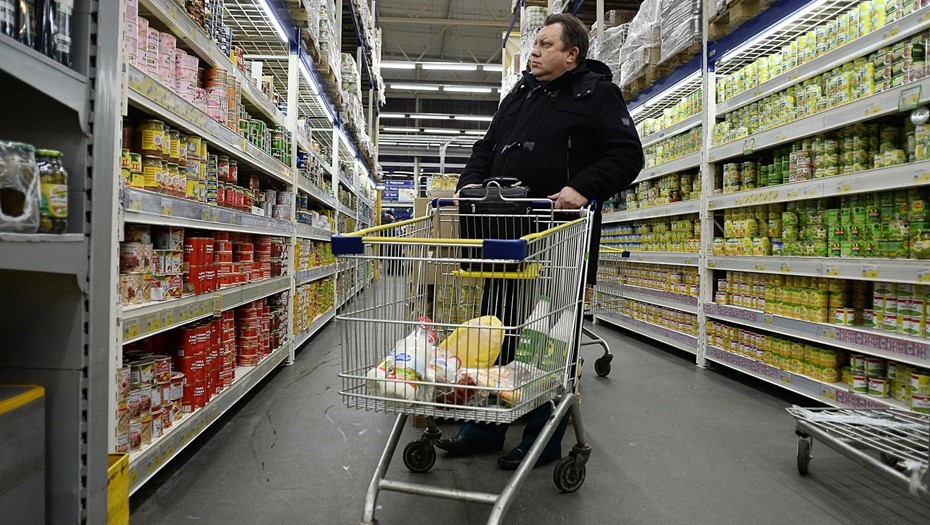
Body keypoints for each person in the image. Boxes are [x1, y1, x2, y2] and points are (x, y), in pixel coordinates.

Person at [435, 13, 643, 470]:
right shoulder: (519, 95)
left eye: (546, 44)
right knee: (499, 330)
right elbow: (484, 149)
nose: (534, 51)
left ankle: (542, 436)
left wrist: (583, 187)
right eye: (535, 43)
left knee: (547, 337)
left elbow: (628, 155)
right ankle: (487, 425)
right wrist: (468, 184)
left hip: (560, 237)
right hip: (503, 235)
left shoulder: (596, 94)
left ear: (572, 55)